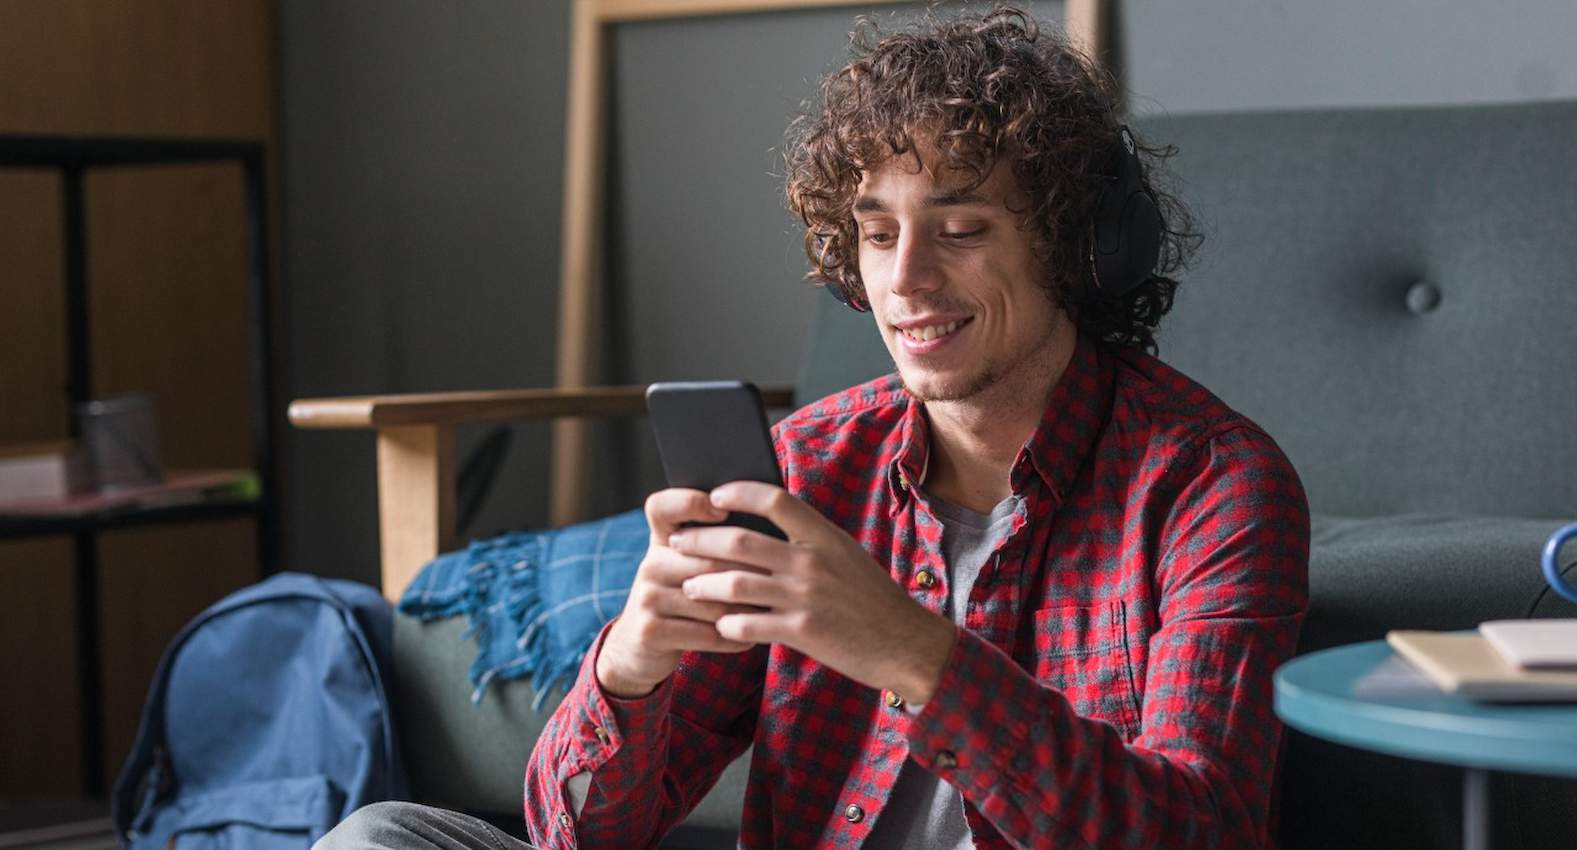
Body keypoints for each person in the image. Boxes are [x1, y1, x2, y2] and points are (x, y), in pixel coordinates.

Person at [317, 6, 1308, 849]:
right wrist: (628, 667)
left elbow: (1201, 827)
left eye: (959, 231)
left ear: (1074, 247)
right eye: (877, 235)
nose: (904, 280)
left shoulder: (1210, 486)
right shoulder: (809, 466)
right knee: (380, 838)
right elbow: (575, 835)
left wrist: (912, 651)